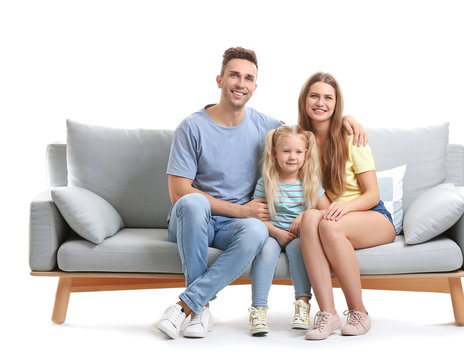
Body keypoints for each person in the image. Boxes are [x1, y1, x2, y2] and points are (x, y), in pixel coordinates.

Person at [157, 47, 367, 339]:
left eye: (248, 78)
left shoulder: (265, 127)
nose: (241, 83)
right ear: (220, 80)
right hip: (194, 220)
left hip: (236, 227)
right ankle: (198, 306)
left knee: (256, 231)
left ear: (255, 86)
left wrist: (346, 120)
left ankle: (187, 306)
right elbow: (179, 193)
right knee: (194, 203)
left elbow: (302, 136)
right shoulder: (191, 127)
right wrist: (241, 210)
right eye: (234, 75)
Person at [298, 72, 396, 340]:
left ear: (336, 103)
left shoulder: (351, 136)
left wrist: (344, 208)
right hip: (338, 217)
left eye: (328, 97)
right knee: (310, 218)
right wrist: (328, 212)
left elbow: (372, 194)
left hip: (373, 216)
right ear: (304, 100)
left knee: (329, 227)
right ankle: (327, 314)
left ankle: (359, 311)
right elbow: (320, 199)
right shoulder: (301, 143)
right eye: (314, 96)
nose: (321, 102)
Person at [249, 125, 331, 336]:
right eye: (286, 151)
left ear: (306, 154)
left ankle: (302, 305)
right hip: (272, 234)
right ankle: (258, 309)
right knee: (265, 251)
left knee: (298, 249)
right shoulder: (265, 182)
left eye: (298, 152)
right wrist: (276, 232)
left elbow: (327, 211)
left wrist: (305, 216)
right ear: (275, 153)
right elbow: (255, 216)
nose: (292, 157)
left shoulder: (310, 183)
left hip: (298, 237)